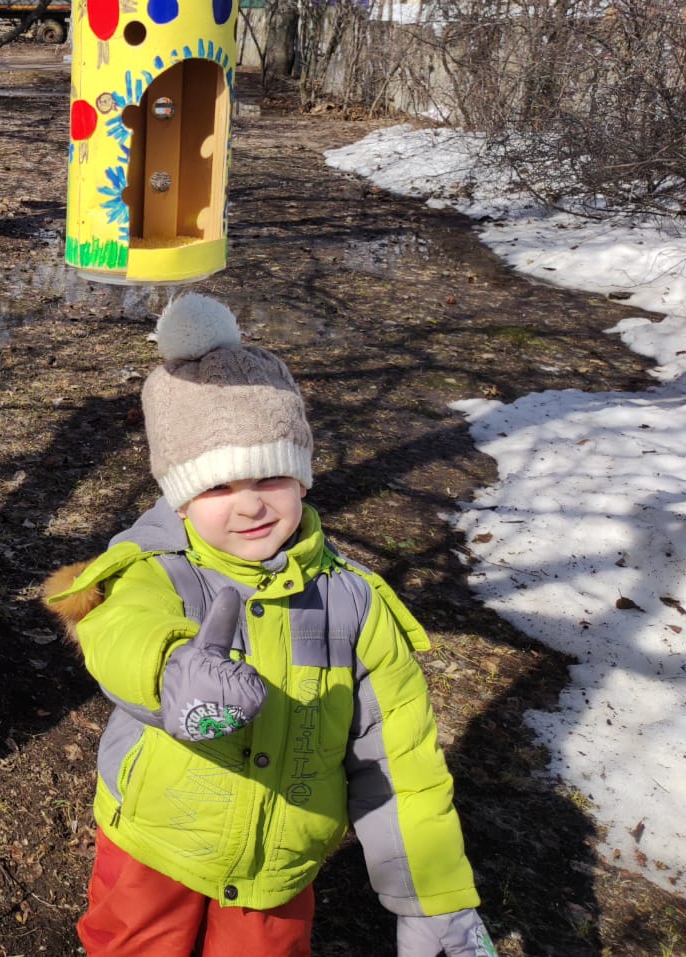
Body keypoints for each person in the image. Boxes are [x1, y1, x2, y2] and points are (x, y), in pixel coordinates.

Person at [42, 292, 496, 957]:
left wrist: (433, 898)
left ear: (303, 479)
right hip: (157, 838)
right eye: (218, 486)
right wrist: (173, 672)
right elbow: (120, 631)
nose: (250, 504)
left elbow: (400, 761)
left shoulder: (355, 602)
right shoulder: (156, 570)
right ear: (180, 498)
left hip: (280, 862)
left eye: (271, 476)